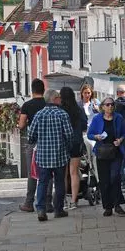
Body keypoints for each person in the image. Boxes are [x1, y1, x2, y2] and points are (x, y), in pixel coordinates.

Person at [28, 89, 73, 221]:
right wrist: (68, 147)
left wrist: (37, 141)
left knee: (42, 182)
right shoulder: (62, 114)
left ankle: (41, 209)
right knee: (59, 183)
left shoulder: (39, 115)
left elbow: (31, 136)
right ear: (54, 99)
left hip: (43, 156)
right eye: (59, 97)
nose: (61, 99)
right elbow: (69, 135)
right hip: (60, 154)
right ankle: (58, 209)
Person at [87, 96, 125, 217]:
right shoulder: (97, 119)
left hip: (115, 151)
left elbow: (124, 134)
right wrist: (96, 137)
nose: (110, 107)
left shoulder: (118, 118)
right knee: (104, 180)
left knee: (115, 177)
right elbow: (89, 134)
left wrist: (120, 140)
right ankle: (107, 207)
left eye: (112, 104)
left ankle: (117, 205)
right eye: (108, 105)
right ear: (102, 107)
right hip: (102, 152)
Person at [17, 78, 52, 213]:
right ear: (43, 90)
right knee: (48, 172)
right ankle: (48, 202)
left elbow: (21, 125)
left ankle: (29, 202)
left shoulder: (27, 105)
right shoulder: (48, 103)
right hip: (49, 141)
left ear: (32, 90)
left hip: (33, 142)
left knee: (33, 173)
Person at [59, 87, 87, 209]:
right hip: (76, 142)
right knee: (74, 172)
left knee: (63, 174)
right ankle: (74, 201)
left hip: (62, 143)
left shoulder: (59, 110)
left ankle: (64, 200)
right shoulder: (78, 109)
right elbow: (85, 125)